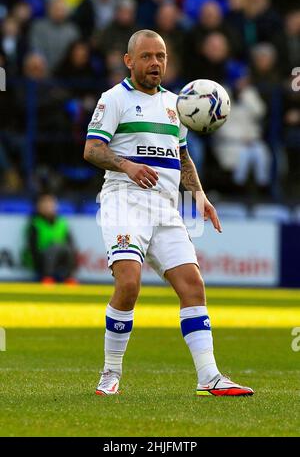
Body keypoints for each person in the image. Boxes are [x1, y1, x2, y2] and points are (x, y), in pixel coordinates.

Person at [84, 29, 254, 397]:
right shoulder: (114, 99)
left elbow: (182, 156)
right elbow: (92, 149)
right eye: (147, 56)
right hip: (124, 200)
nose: (155, 63)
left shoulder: (177, 104)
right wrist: (127, 166)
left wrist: (200, 197)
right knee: (128, 284)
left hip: (165, 206)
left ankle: (209, 377)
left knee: (193, 286)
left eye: (160, 56)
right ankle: (110, 374)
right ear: (129, 61)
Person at [23, 193, 77, 284]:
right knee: (54, 248)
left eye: (51, 203)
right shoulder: (35, 223)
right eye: (45, 204)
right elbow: (32, 247)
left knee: (67, 249)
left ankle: (69, 277)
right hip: (42, 259)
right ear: (39, 207)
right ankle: (47, 277)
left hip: (61, 258)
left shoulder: (62, 222)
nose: (49, 206)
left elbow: (70, 243)